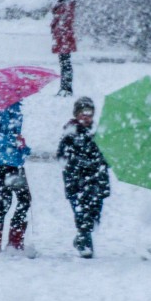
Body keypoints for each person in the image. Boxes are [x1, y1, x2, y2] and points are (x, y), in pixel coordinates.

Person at [56, 96, 110, 258]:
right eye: (83, 113)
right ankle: (85, 243)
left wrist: (104, 160)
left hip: (96, 181)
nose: (86, 117)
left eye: (89, 113)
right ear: (77, 114)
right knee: (82, 214)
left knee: (95, 215)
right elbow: (62, 156)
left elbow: (106, 154)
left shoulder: (97, 132)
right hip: (77, 182)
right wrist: (81, 163)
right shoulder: (70, 132)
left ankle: (83, 236)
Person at [0, 97, 33, 255]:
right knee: (7, 200)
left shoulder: (17, 110)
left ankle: (14, 241)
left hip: (14, 162)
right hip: (0, 162)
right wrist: (11, 140)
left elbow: (15, 136)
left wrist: (23, 148)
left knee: (23, 200)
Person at [50, 0, 85, 97]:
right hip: (62, 37)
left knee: (65, 64)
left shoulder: (68, 3)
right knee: (64, 63)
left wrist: (57, 22)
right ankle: (64, 88)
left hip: (64, 37)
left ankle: (66, 89)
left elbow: (65, 20)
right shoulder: (64, 2)